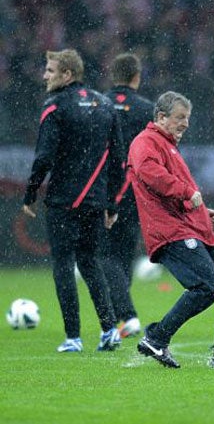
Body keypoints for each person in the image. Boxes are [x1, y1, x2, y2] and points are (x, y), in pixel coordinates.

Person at [128, 91, 214, 368]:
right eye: (180, 117)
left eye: (188, 118)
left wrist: (199, 210)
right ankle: (157, 338)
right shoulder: (145, 142)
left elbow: (166, 187)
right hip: (170, 231)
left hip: (191, 226)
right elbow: (150, 173)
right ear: (161, 117)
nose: (185, 123)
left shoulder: (166, 144)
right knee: (207, 285)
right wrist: (185, 192)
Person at [22, 49, 125, 353]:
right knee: (91, 263)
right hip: (94, 201)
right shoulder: (106, 105)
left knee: (63, 265)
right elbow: (119, 158)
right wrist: (112, 203)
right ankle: (109, 330)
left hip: (63, 200)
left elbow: (44, 157)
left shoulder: (54, 106)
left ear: (67, 74)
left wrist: (30, 193)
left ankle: (73, 337)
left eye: (50, 70)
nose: (45, 75)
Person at [99, 53, 153, 339]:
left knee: (104, 253)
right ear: (137, 77)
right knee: (123, 252)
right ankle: (122, 314)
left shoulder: (99, 103)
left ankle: (126, 314)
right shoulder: (147, 109)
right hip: (136, 190)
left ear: (112, 75)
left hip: (102, 188)